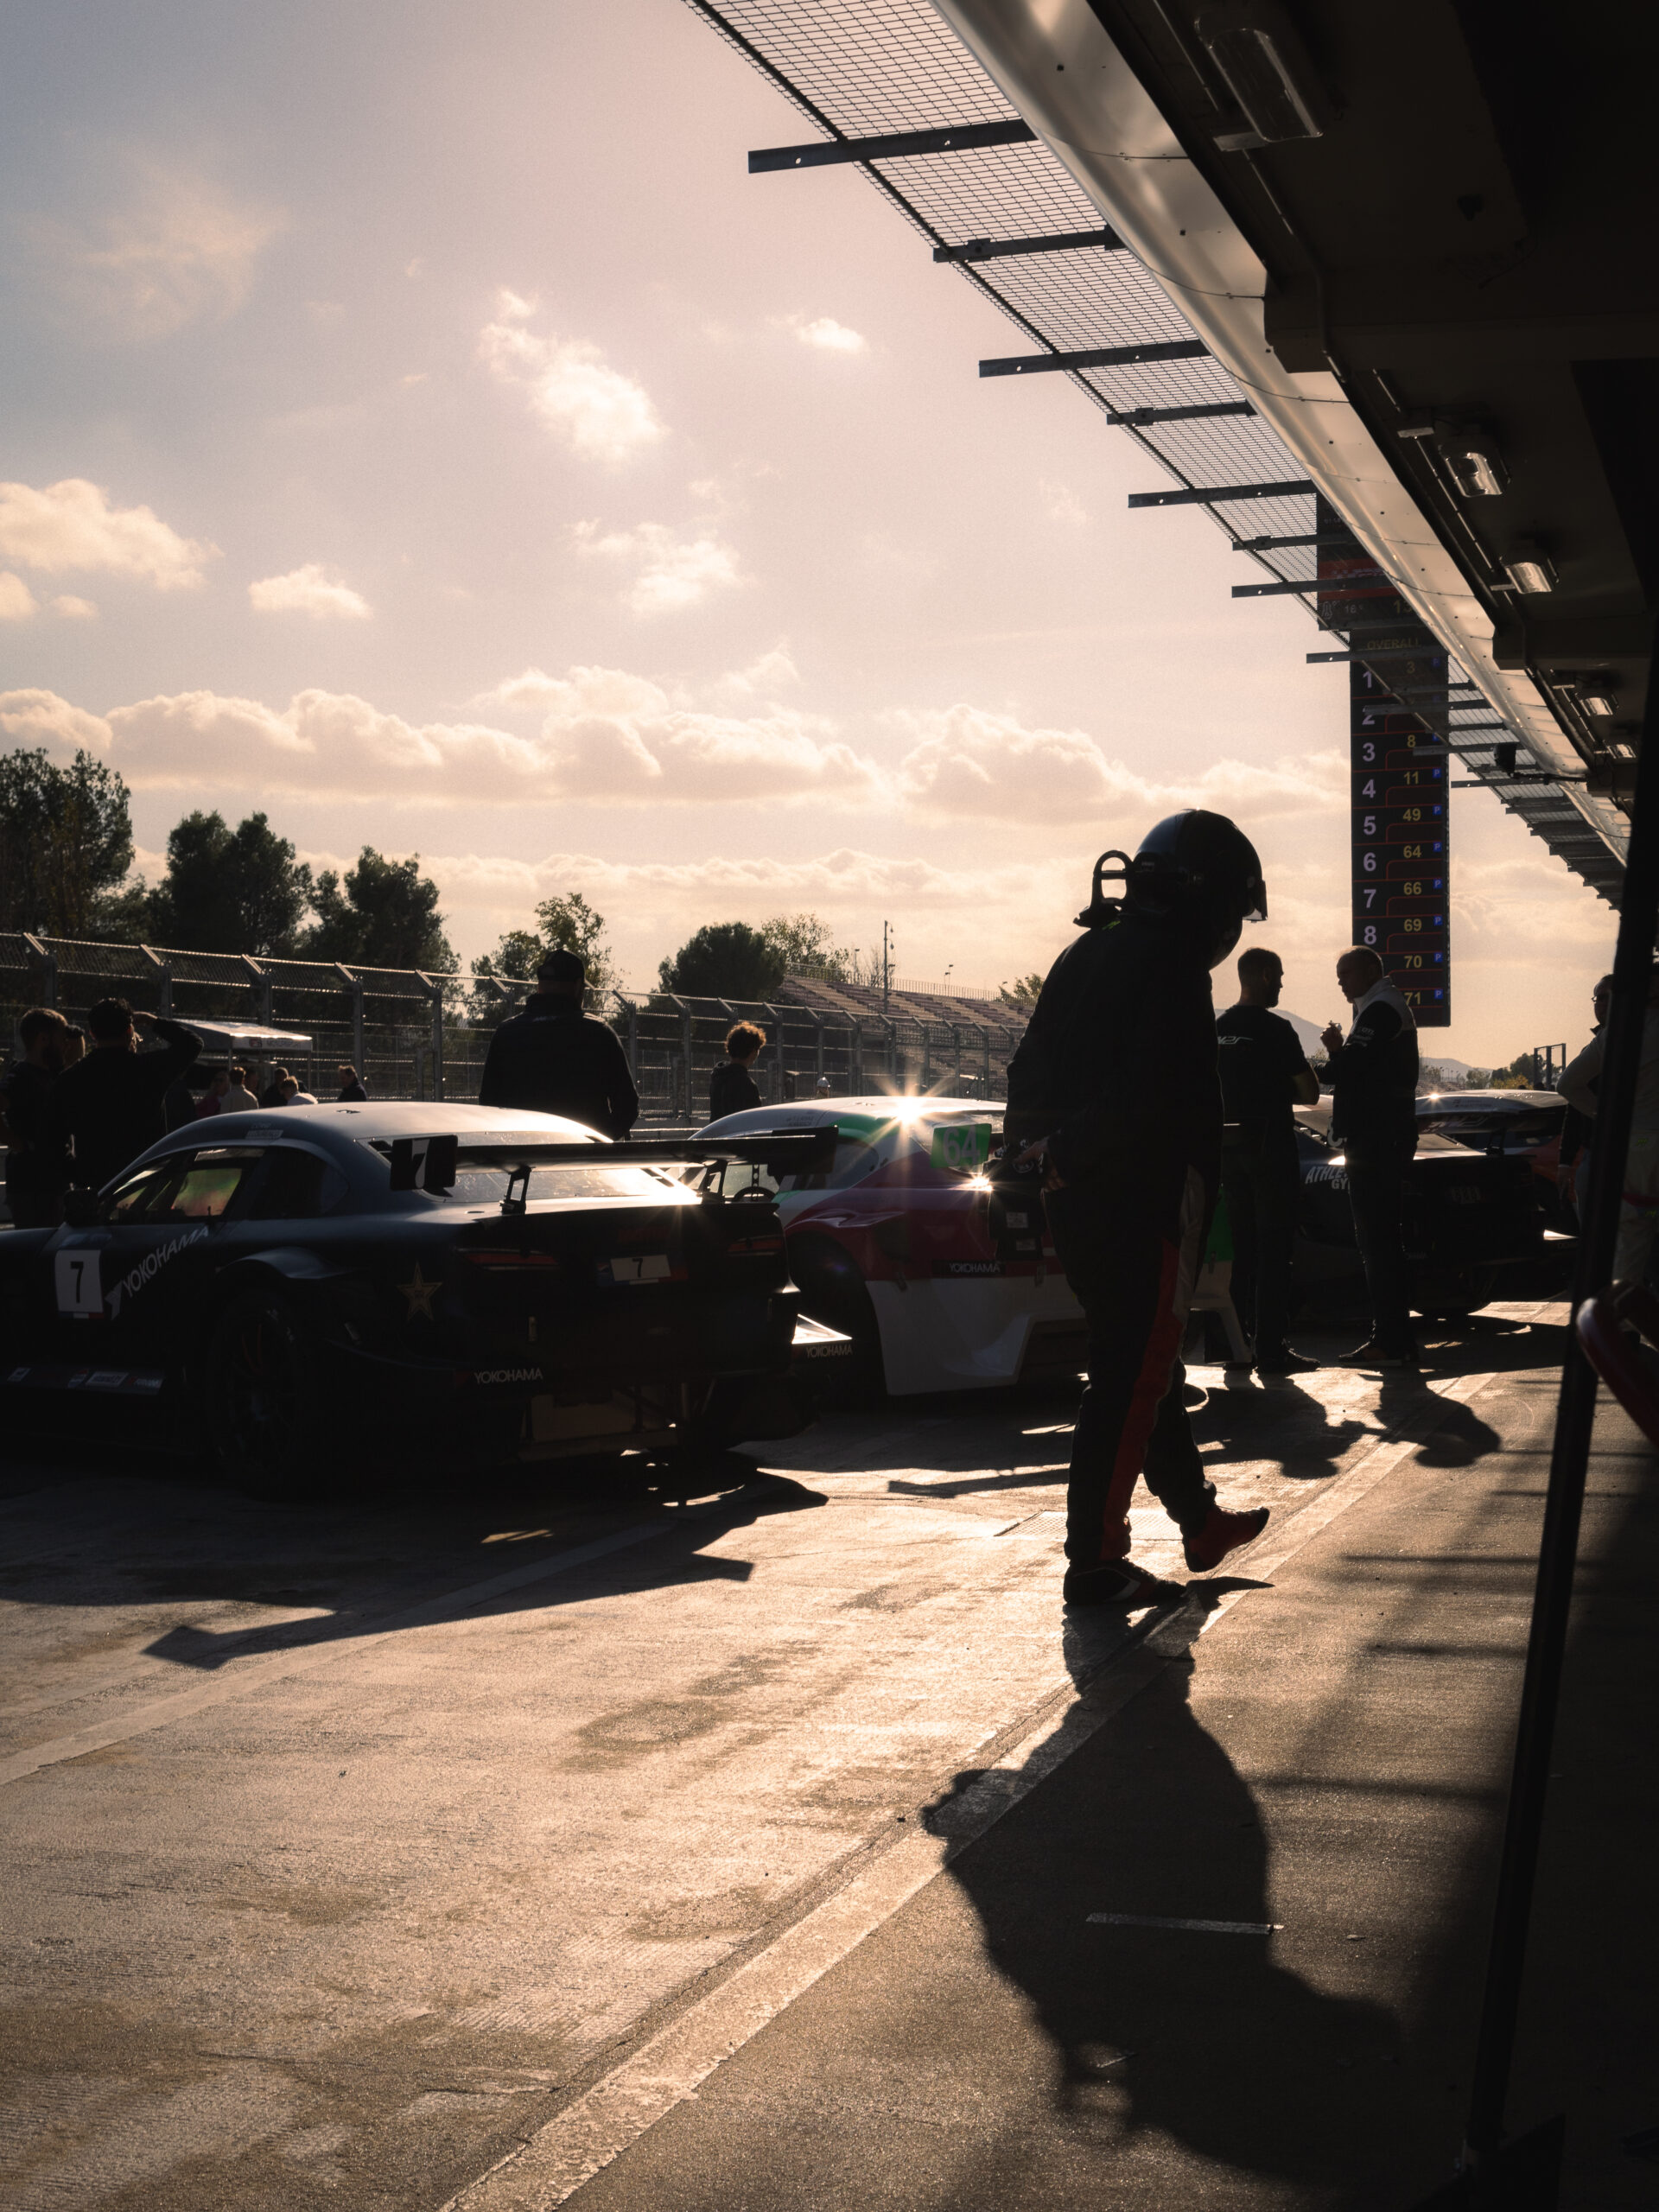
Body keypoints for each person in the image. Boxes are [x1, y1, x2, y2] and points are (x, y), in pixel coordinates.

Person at [1004, 810, 1274, 1609]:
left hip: (1076, 1196)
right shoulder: (1173, 965)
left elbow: (1029, 1068)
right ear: (1209, 903)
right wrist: (1074, 1152)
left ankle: (1197, 1519)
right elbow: (1148, 1092)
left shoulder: (1085, 949)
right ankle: (1094, 1561)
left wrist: (1040, 1157)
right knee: (1131, 1374)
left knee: (1136, 1364)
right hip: (1144, 1192)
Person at [1216, 947, 1320, 1380]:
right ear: (1261, 975)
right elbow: (1310, 1092)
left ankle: (1234, 1348)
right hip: (1269, 1150)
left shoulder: (1216, 1028)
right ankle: (1273, 1351)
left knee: (1238, 1251)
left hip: (1226, 1151)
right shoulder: (1278, 1030)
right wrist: (1273, 1088)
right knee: (1275, 1251)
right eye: (1277, 975)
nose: (1280, 983)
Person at [1319, 947, 1421, 1368]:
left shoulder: (1380, 1009)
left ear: (1371, 971)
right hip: (1382, 1138)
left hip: (1377, 1140)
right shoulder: (1377, 1006)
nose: (1340, 981)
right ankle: (1395, 1337)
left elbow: (1349, 1070)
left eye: (1346, 973)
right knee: (1380, 1241)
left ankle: (1390, 1341)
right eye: (1337, 974)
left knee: (1377, 1241)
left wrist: (1335, 1050)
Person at [477, 949, 640, 1139]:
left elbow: (488, 1107)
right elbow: (627, 1107)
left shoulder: (506, 1034)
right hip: (583, 1161)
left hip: (522, 1159)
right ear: (578, 986)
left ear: (540, 986)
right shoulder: (597, 1033)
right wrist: (599, 1144)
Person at [45, 997, 201, 1194]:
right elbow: (192, 1043)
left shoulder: (70, 1079)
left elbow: (52, 1138)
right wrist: (151, 1021)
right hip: (146, 1176)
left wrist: (78, 1174)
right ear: (129, 1031)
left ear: (93, 1034)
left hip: (97, 1181)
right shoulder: (149, 1070)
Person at [3, 1006, 71, 1228]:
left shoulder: (54, 1075)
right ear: (43, 1039)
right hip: (31, 1186)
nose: (65, 1046)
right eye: (62, 1038)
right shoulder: (21, 1077)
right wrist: (20, 1144)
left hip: (54, 1181)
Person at [1558, 972, 1612, 1217]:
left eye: (1607, 997)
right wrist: (1565, 1161)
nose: (1602, 1004)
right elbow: (1573, 1106)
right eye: (1598, 998)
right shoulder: (1594, 1050)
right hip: (1598, 1152)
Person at [709, 1021, 766, 1119]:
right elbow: (754, 1121)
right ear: (753, 1052)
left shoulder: (717, 1077)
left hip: (717, 1133)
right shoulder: (747, 1084)